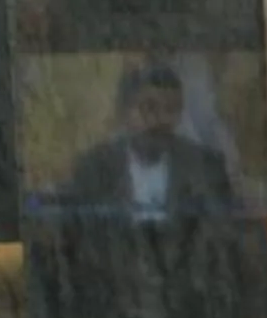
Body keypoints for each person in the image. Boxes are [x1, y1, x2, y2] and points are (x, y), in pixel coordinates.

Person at [62, 62, 236, 218]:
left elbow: (220, 233)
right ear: (125, 112)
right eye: (149, 108)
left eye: (171, 109)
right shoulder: (94, 168)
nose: (160, 119)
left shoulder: (206, 167)